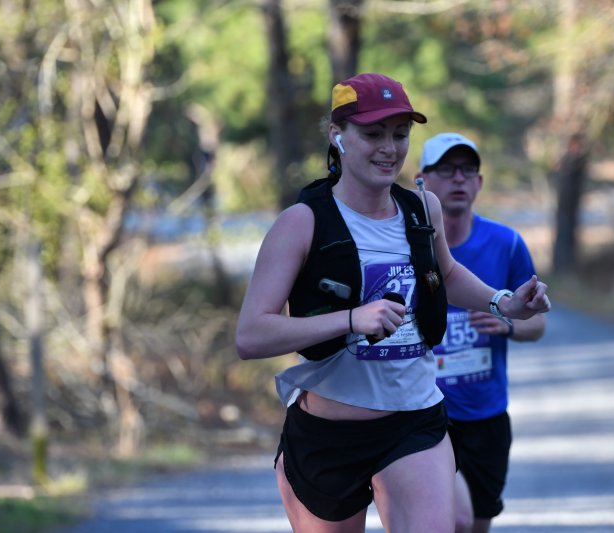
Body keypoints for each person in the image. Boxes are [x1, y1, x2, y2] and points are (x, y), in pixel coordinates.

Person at [235, 73, 551, 533]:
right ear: (337, 135)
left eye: (400, 135)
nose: (389, 148)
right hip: (330, 433)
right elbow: (251, 335)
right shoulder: (302, 223)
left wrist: (504, 302)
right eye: (373, 134)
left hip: (414, 422)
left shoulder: (423, 209)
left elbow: (446, 275)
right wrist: (350, 319)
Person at [417, 132, 546, 533]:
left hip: (485, 415)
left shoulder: (506, 244)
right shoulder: (408, 246)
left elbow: (537, 324)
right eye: (446, 169)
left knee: (474, 523)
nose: (458, 178)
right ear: (423, 181)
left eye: (467, 170)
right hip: (424, 414)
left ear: (479, 182)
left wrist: (508, 325)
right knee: (449, 520)